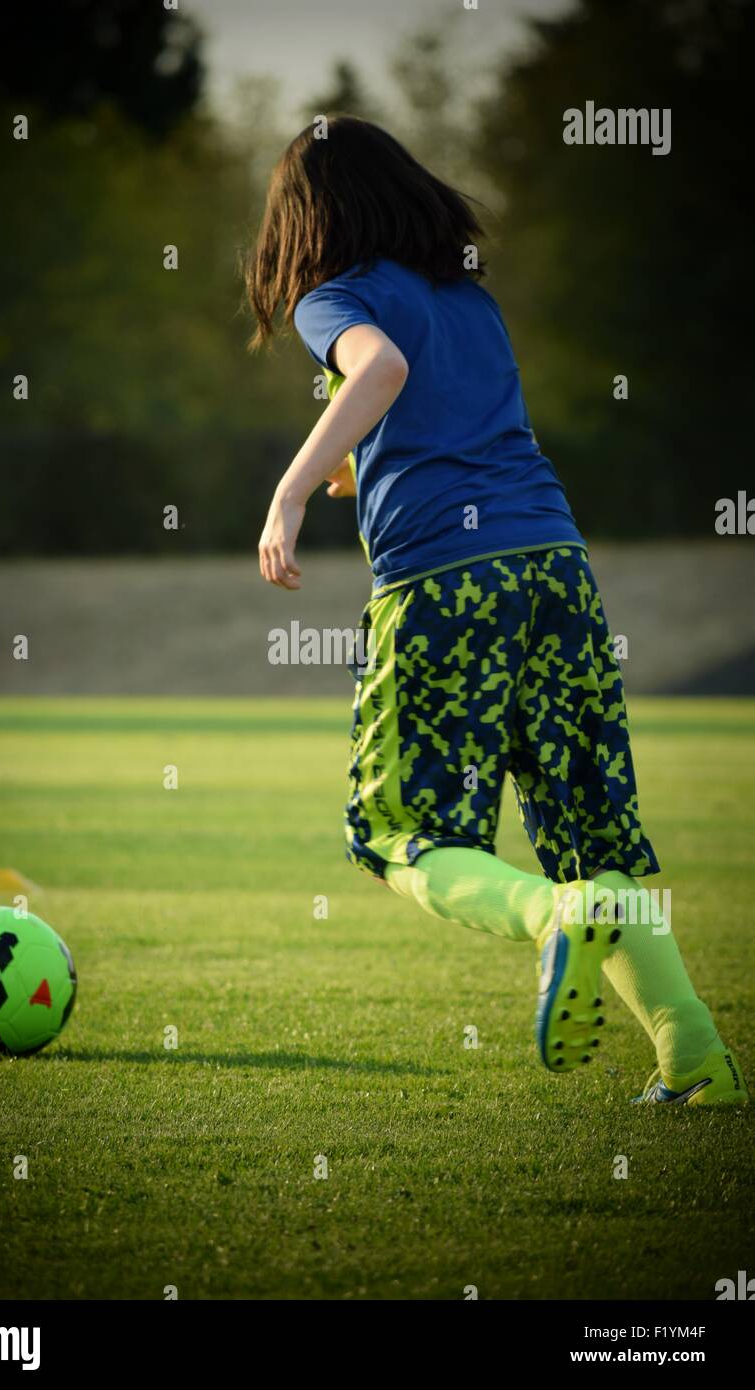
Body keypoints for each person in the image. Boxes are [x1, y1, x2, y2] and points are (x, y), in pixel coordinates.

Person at [245, 116, 746, 1106]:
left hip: (443, 579)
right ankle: (693, 1059)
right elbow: (435, 407)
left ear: (305, 217)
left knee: (395, 827)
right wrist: (361, 463)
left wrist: (293, 489)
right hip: (553, 562)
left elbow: (378, 370)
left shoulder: (331, 293)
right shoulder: (466, 297)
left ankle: (547, 918)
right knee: (593, 832)